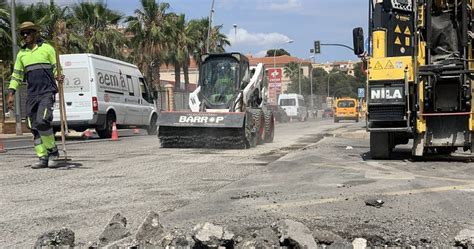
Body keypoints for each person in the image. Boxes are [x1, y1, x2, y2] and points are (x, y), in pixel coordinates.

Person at [7, 21, 64, 168]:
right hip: (31, 94)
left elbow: (57, 67)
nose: (25, 35)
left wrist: (59, 75)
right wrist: (11, 92)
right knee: (33, 126)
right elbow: (17, 75)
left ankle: (53, 152)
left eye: (28, 32)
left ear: (35, 33)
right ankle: (42, 156)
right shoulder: (22, 54)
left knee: (42, 121)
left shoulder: (47, 49)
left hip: (46, 92)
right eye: (23, 33)